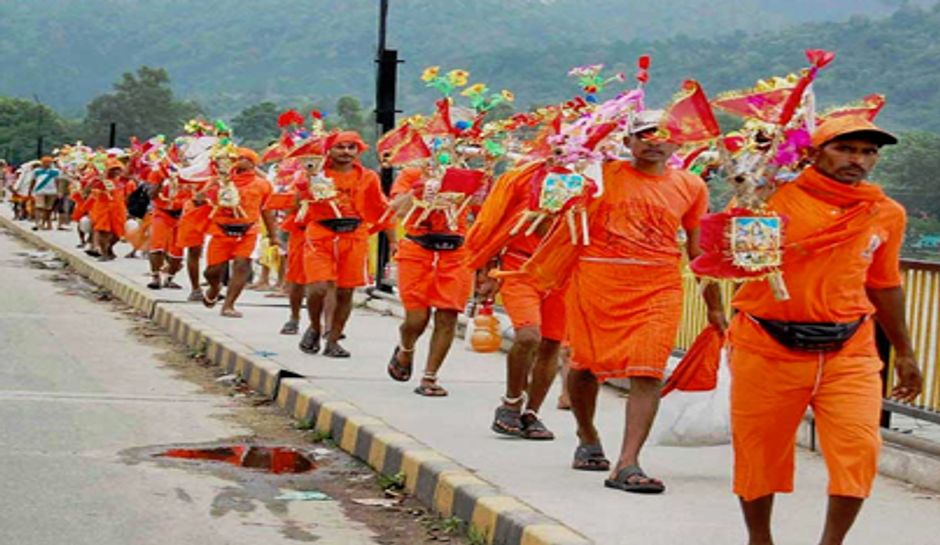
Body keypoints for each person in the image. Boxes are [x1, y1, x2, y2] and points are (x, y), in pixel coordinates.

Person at [727, 116, 923, 545]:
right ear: (813, 152)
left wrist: (905, 352)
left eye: (868, 152)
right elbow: (727, 256)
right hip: (766, 345)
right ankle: (760, 539)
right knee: (758, 452)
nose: (858, 160)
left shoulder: (885, 212)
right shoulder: (771, 198)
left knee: (860, 450)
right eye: (845, 148)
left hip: (848, 348)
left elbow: (885, 283)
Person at [522, 110, 726, 492]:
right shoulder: (600, 178)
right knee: (583, 368)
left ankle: (628, 463)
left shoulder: (692, 186)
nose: (654, 140)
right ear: (628, 142)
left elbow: (698, 251)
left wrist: (714, 306)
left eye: (663, 134)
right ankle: (587, 435)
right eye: (644, 134)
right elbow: (555, 210)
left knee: (648, 371)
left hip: (658, 286)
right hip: (597, 281)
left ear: (677, 144)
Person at [463, 162, 567, 435]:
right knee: (529, 336)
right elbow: (497, 223)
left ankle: (532, 413)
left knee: (551, 345)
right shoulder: (525, 178)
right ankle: (510, 403)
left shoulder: (595, 180)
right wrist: (486, 271)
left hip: (564, 274)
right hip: (519, 268)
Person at [298, 131, 394, 357]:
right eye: (340, 147)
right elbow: (297, 200)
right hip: (321, 233)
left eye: (352, 147)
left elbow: (382, 208)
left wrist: (393, 241)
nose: (346, 152)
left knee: (345, 292)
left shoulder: (368, 177)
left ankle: (333, 340)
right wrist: (309, 181)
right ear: (329, 150)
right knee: (318, 288)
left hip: (354, 235)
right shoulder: (316, 173)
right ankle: (314, 325)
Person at [386, 166, 477, 397]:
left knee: (448, 316)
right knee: (416, 319)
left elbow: (482, 212)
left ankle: (430, 377)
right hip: (417, 250)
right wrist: (420, 189)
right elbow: (396, 209)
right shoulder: (412, 174)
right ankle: (406, 349)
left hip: (456, 253)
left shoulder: (467, 174)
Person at [202, 147, 277, 317]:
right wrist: (210, 189)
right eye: (234, 158)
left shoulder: (263, 184)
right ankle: (214, 288)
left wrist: (273, 236)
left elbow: (267, 211)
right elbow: (201, 199)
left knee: (242, 265)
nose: (236, 161)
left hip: (248, 231)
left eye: (241, 158)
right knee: (211, 271)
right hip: (220, 230)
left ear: (252, 163)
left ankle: (229, 305)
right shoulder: (219, 180)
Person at [85, 158, 135, 260]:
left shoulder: (123, 181)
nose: (116, 171)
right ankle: (104, 253)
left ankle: (109, 248)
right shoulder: (100, 180)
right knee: (103, 231)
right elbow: (86, 192)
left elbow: (129, 193)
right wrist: (94, 181)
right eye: (113, 169)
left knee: (118, 234)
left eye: (118, 169)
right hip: (102, 208)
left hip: (119, 209)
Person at [146, 168, 185, 289]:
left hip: (182, 215)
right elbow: (151, 195)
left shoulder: (191, 172)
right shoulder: (159, 172)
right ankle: (155, 277)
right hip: (161, 213)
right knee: (157, 246)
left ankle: (169, 278)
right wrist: (161, 181)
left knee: (177, 251)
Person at [29, 156, 60, 231]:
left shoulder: (55, 171)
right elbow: (33, 181)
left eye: (49, 162)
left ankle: (45, 223)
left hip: (52, 191)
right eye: (45, 162)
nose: (47, 164)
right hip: (40, 191)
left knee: (48, 209)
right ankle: (37, 223)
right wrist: (30, 190)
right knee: (39, 207)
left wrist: (58, 191)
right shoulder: (37, 171)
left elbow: (57, 182)